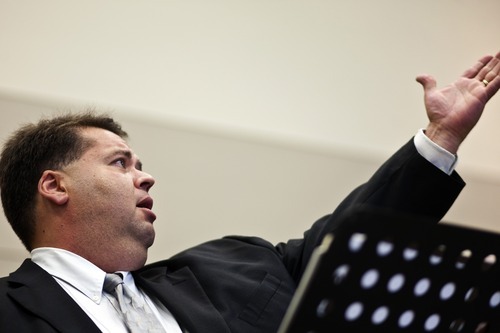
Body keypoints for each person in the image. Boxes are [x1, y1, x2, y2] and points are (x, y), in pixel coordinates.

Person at [0, 51, 498, 333]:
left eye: (141, 165)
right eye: (120, 163)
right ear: (54, 186)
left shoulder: (234, 269)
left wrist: (442, 140)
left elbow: (344, 248)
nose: (145, 178)